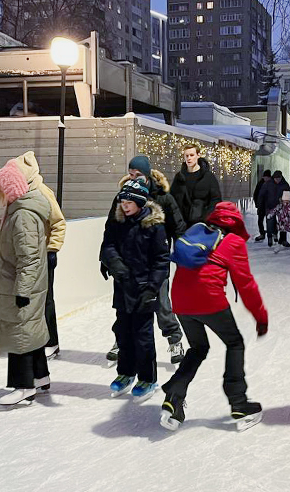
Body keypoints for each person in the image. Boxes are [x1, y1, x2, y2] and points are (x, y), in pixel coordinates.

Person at [162, 202, 268, 431]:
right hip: (209, 299)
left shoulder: (197, 231)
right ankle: (238, 402)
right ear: (236, 222)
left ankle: (174, 397)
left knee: (198, 348)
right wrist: (261, 316)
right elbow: (246, 285)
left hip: (180, 300)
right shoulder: (233, 242)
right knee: (235, 343)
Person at [104, 155, 186, 365]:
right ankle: (120, 341)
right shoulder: (121, 196)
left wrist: (184, 255)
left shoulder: (163, 197)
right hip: (128, 263)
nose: (134, 178)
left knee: (161, 304)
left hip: (155, 264)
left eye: (138, 175)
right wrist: (105, 259)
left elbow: (178, 228)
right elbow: (111, 229)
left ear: (147, 175)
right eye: (131, 174)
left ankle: (175, 339)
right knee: (126, 307)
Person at [99, 178, 170, 403]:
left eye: (129, 201)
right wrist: (115, 265)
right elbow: (107, 246)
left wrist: (152, 289)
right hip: (123, 287)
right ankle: (126, 373)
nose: (124, 205)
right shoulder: (117, 222)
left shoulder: (154, 226)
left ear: (139, 202)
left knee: (143, 336)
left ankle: (148, 378)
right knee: (122, 332)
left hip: (144, 290)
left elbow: (161, 260)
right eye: (122, 201)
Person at [0, 160, 53, 406]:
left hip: (22, 284)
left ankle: (23, 386)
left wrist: (23, 290)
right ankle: (39, 376)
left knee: (20, 331)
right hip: (26, 282)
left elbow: (28, 256)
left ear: (10, 189)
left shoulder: (23, 215)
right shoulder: (19, 211)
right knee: (29, 328)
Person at [10, 151, 66, 360]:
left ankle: (51, 342)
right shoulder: (18, 193)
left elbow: (58, 222)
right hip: (25, 257)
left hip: (43, 255)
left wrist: (52, 249)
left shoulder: (42, 191)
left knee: (45, 299)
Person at [170, 143, 222, 227]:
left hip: (202, 224)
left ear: (198, 155)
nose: (189, 158)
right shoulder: (179, 177)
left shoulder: (208, 177)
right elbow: (172, 199)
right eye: (186, 156)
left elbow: (216, 199)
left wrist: (207, 218)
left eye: (191, 155)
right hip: (182, 224)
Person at [255, 170, 290, 248]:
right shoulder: (267, 184)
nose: (277, 180)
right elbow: (261, 195)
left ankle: (283, 240)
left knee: (283, 223)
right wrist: (260, 206)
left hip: (281, 207)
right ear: (273, 178)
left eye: (279, 179)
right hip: (270, 206)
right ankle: (270, 238)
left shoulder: (284, 184)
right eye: (276, 179)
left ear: (281, 178)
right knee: (270, 223)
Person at [252, 171, 272, 241]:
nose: (265, 179)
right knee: (260, 221)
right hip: (261, 205)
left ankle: (271, 234)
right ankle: (262, 233)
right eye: (264, 177)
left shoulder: (272, 183)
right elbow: (256, 194)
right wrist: (257, 204)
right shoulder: (260, 183)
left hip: (269, 206)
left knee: (269, 221)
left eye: (267, 177)